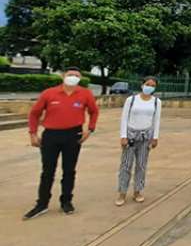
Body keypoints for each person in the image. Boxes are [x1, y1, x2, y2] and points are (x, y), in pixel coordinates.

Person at [24, 67, 100, 220]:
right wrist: (32, 133)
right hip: (51, 135)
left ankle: (66, 201)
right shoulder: (49, 93)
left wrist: (90, 129)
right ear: (63, 76)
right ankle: (42, 204)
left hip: (73, 135)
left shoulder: (85, 94)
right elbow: (34, 113)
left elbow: (94, 111)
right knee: (47, 171)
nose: (73, 77)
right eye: (70, 75)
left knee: (69, 170)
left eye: (77, 75)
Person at [116, 76, 162, 206]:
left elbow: (156, 120)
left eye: (152, 85)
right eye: (148, 84)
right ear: (142, 85)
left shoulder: (156, 102)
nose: (149, 87)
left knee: (141, 165)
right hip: (130, 136)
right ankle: (122, 192)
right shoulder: (131, 100)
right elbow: (124, 118)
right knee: (126, 165)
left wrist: (155, 137)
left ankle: (138, 190)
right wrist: (123, 136)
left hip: (145, 137)